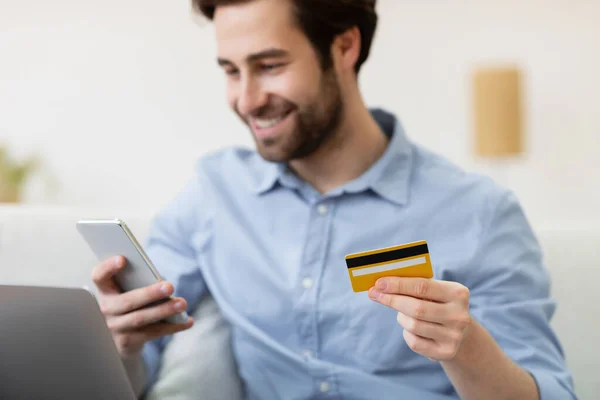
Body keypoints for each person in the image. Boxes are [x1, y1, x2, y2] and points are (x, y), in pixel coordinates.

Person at [91, 0, 576, 399]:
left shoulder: (479, 212)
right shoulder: (213, 194)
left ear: (345, 46)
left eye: (270, 66)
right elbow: (135, 375)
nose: (247, 98)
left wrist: (467, 348)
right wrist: (122, 342)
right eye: (231, 71)